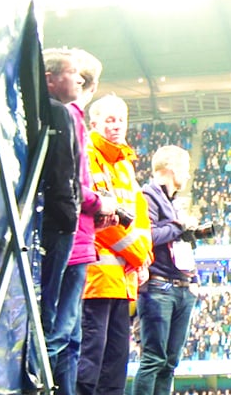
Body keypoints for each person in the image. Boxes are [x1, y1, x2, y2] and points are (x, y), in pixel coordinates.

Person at [43, 48, 117, 395]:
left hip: (80, 233)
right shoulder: (68, 116)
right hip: (72, 233)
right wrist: (98, 203)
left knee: (69, 334)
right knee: (62, 332)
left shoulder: (67, 117)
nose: (75, 80)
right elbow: (71, 181)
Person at [77, 95, 153, 395]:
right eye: (110, 120)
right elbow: (102, 219)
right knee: (90, 362)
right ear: (93, 123)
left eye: (121, 119)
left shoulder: (125, 165)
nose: (117, 126)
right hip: (96, 279)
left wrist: (145, 257)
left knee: (116, 365)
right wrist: (138, 255)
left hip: (122, 280)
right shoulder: (88, 155)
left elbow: (141, 220)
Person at [132, 145, 198, 395]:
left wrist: (194, 279)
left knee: (170, 363)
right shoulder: (147, 195)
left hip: (181, 287)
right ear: (171, 168)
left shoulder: (172, 203)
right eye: (186, 169)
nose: (188, 175)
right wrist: (178, 226)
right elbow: (146, 235)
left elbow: (178, 242)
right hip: (159, 287)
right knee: (153, 360)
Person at [38, 48, 83, 381]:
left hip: (51, 220)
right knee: (51, 313)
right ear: (50, 79)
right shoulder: (60, 115)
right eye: (71, 72)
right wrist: (70, 215)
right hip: (57, 225)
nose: (78, 78)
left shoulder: (53, 112)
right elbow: (62, 172)